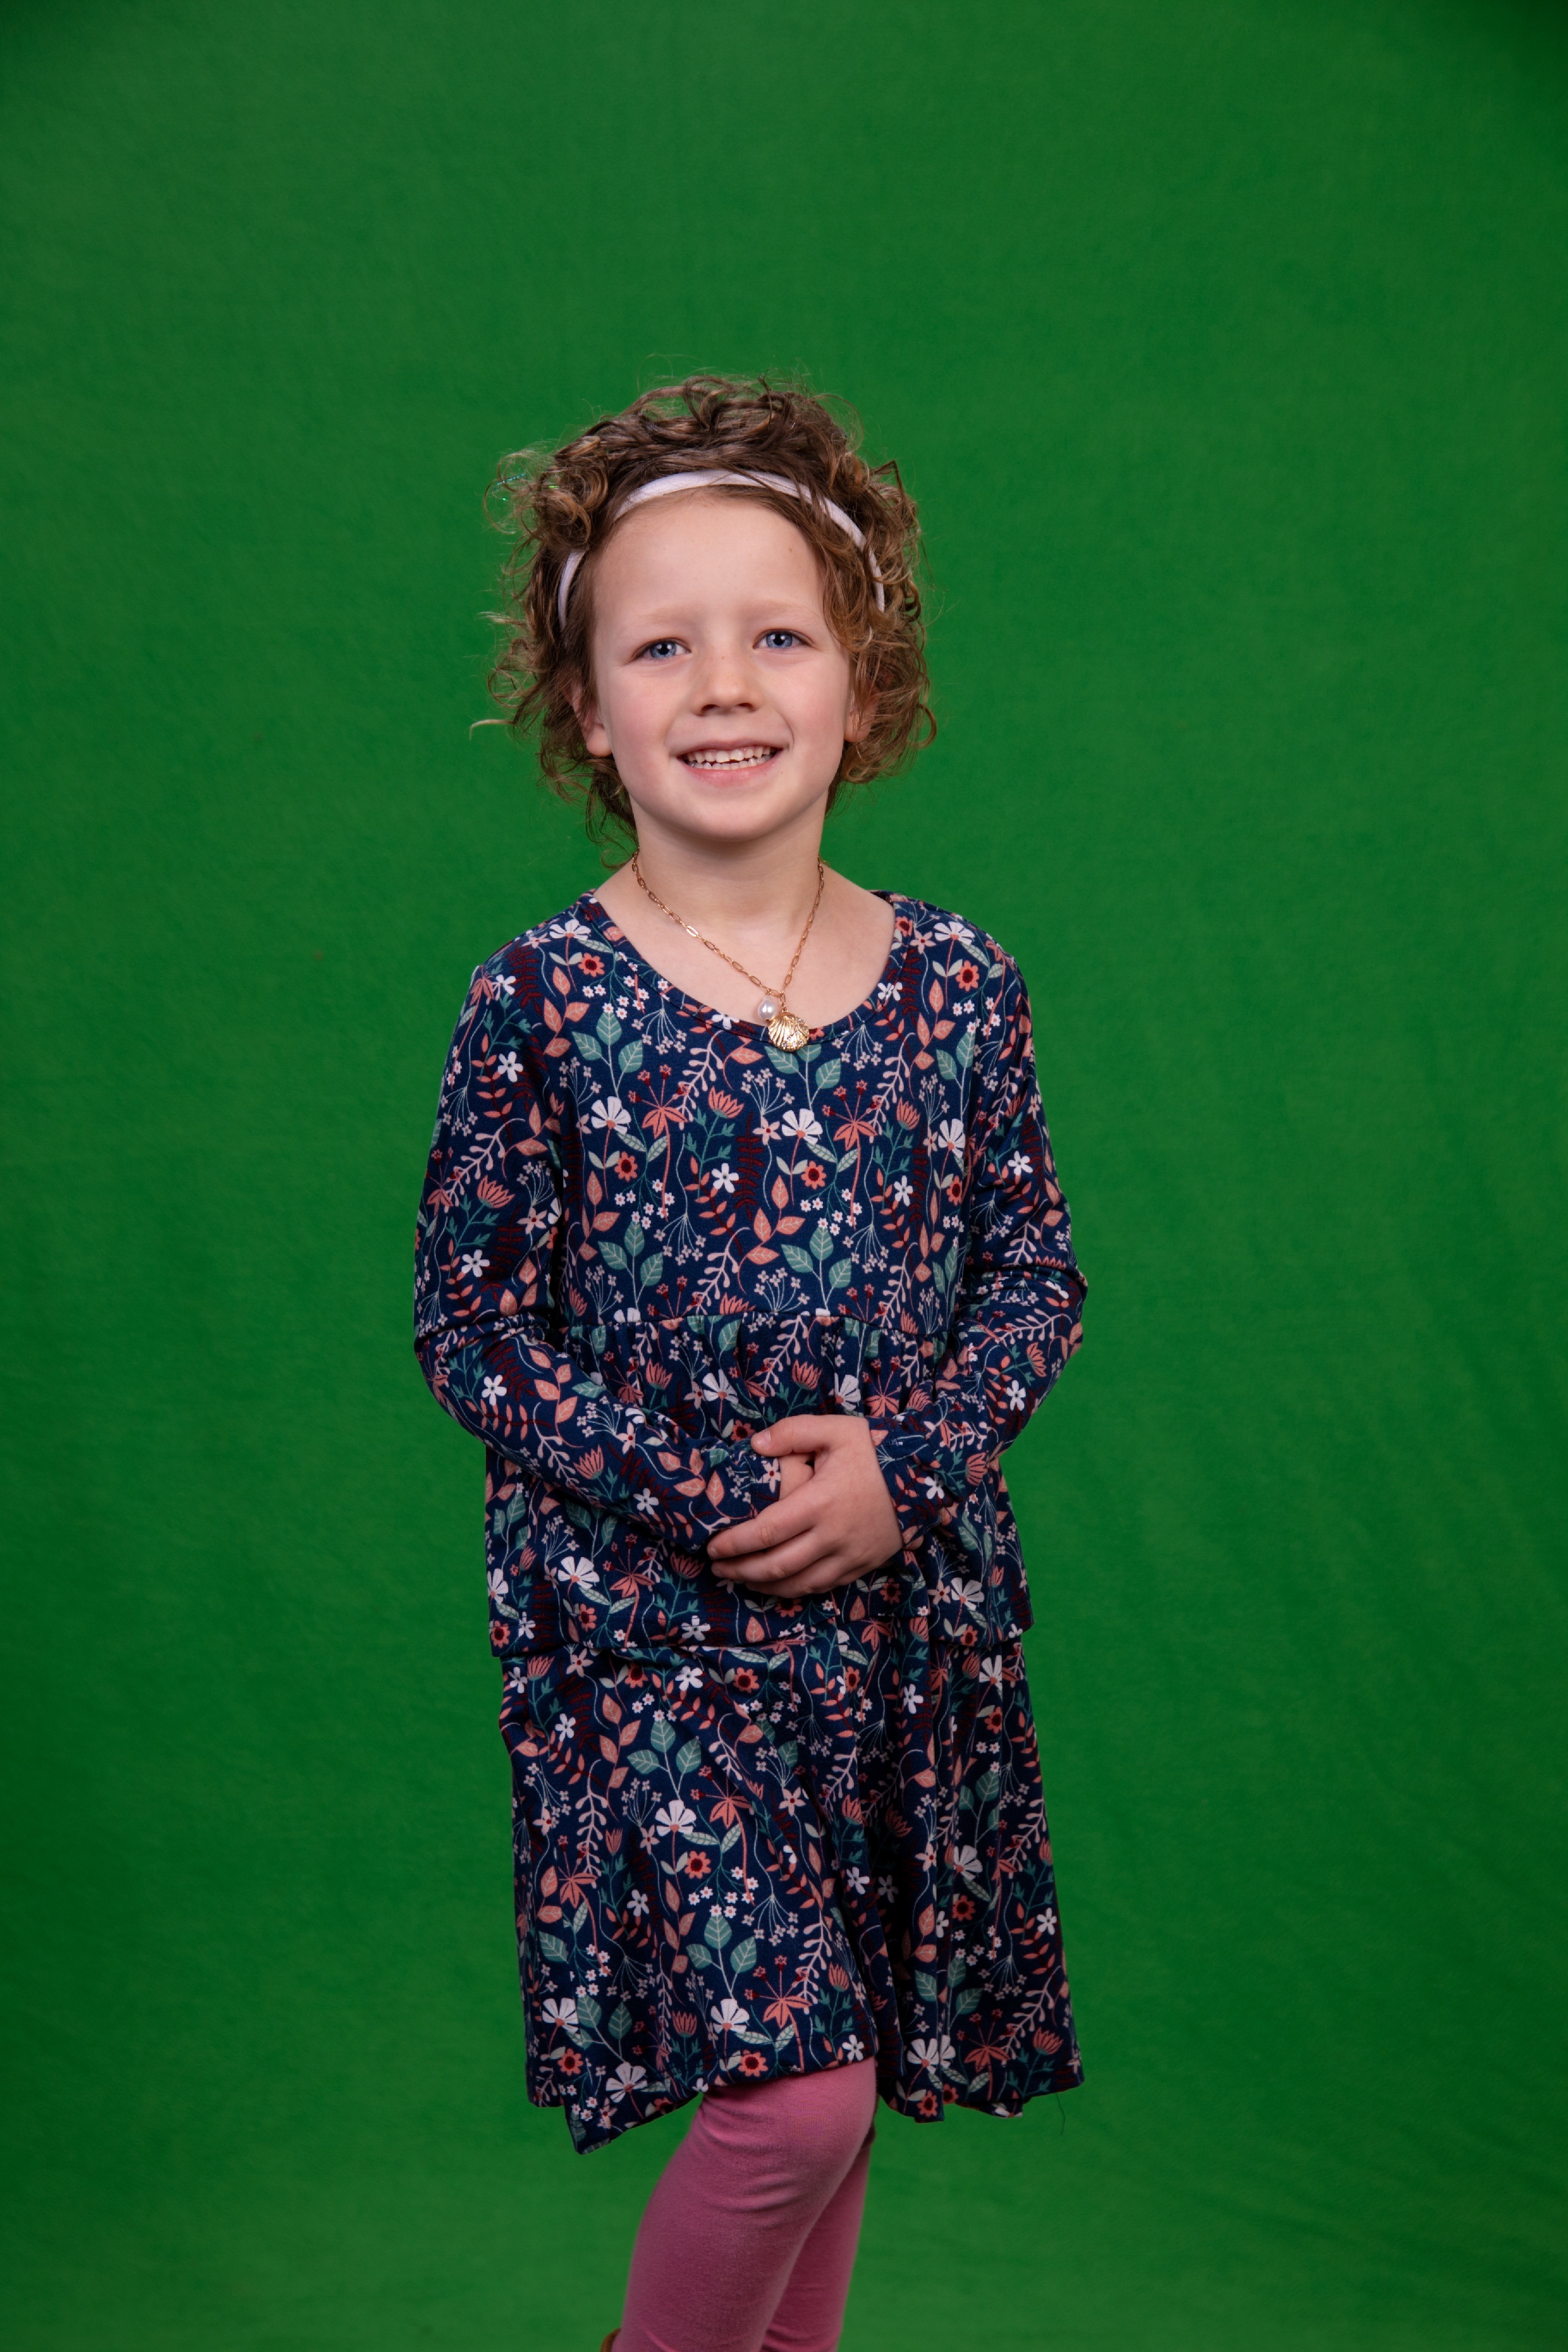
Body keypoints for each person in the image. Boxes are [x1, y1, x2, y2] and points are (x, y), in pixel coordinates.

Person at [414, 376, 1086, 2352]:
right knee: (791, 2098)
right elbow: (470, 1325)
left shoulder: (960, 985)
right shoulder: (543, 1002)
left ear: (860, 686)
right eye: (662, 647)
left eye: (778, 634)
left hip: (900, 1619)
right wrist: (714, 1496)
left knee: (844, 2082)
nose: (724, 683)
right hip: (650, 1629)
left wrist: (907, 1469)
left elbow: (1034, 1276)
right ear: (586, 706)